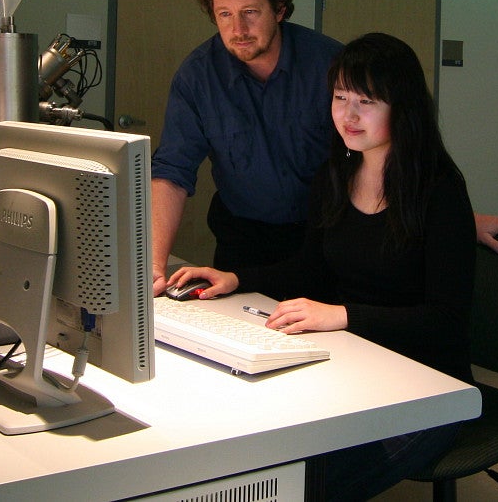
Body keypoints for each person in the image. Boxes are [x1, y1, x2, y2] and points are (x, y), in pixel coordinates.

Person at [166, 32, 480, 500]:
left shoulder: (439, 190)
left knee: (311, 484)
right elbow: (310, 268)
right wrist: (236, 278)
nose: (348, 116)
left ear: (403, 107)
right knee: (261, 447)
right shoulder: (336, 173)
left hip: (430, 383)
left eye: (367, 101)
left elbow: (447, 322)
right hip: (354, 360)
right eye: (339, 98)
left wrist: (342, 315)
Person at [150, 0, 498, 295]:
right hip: (242, 241)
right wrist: (153, 264)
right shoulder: (197, 76)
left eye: (251, 12)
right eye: (224, 15)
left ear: (279, 9)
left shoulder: (330, 65)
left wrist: (444, 223)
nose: (238, 30)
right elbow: (172, 171)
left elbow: (383, 150)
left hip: (329, 239)